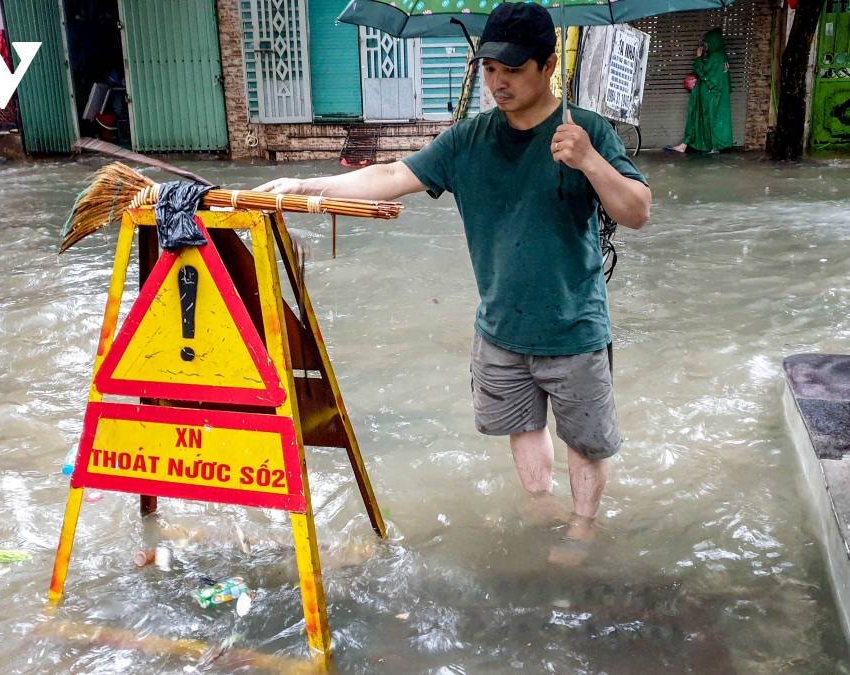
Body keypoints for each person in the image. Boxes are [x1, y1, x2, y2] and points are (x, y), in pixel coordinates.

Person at [254, 3, 651, 563]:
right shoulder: (469, 140)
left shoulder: (587, 132)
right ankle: (540, 506)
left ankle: (584, 525)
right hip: (500, 326)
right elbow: (393, 175)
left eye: (512, 69)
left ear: (549, 65)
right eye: (490, 69)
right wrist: (302, 186)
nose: (498, 82)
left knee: (585, 440)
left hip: (574, 325)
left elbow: (637, 212)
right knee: (521, 424)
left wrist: (589, 161)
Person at [667, 28, 733, 153]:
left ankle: (708, 146)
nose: (705, 45)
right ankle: (711, 146)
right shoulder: (723, 57)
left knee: (702, 119)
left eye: (707, 42)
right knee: (716, 120)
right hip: (719, 95)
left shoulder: (716, 56)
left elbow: (704, 72)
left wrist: (698, 59)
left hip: (710, 96)